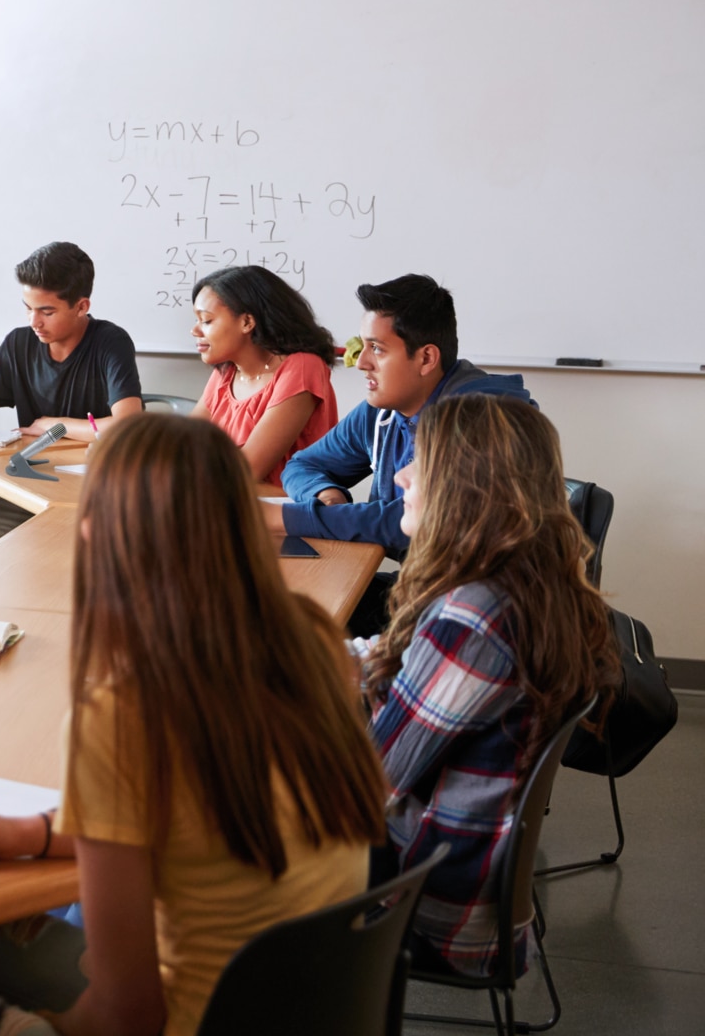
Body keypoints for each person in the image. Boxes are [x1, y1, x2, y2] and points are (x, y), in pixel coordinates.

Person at [0, 416, 385, 1036]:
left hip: (181, 1021)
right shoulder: (309, 637)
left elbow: (126, 1017)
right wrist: (27, 833)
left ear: (95, 534)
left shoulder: (124, 712)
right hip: (309, 1007)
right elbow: (180, 821)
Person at [362, 394, 617, 978]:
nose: (400, 475)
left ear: (464, 487)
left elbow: (366, 784)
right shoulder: (530, 587)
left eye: (417, 463)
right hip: (461, 881)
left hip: (427, 910)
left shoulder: (471, 617)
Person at [270, 274, 532, 635]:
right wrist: (323, 495)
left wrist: (281, 517)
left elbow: (416, 524)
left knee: (296, 640)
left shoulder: (480, 419)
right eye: (362, 346)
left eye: (377, 348)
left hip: (476, 617)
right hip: (422, 591)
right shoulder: (383, 410)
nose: (361, 362)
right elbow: (304, 464)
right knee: (283, 611)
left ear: (426, 358)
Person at [0, 241, 142, 582]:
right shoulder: (19, 344)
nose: (34, 321)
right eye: (28, 308)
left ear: (82, 306)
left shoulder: (110, 342)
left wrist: (58, 426)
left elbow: (129, 425)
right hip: (28, 491)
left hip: (95, 498)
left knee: (56, 572)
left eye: (47, 311)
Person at [188, 264, 339, 485]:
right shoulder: (227, 371)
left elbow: (246, 472)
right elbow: (182, 448)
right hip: (225, 498)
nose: (195, 330)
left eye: (207, 320)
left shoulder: (303, 367)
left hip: (282, 510)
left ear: (247, 322)